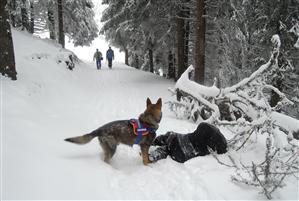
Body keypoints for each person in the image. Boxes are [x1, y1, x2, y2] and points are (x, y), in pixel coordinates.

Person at [149, 122, 228, 163]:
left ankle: (152, 143)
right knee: (169, 149)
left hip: (181, 143)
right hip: (185, 156)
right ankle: (158, 152)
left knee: (170, 136)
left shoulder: (204, 127)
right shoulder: (217, 143)